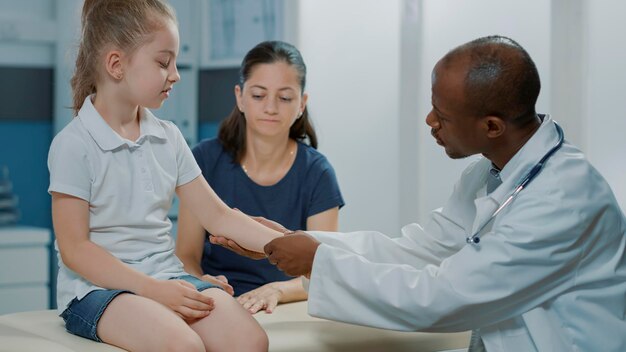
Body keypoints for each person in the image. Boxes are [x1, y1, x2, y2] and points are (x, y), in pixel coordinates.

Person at [216, 35, 626, 351]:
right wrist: (301, 244)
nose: (429, 120)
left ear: (492, 126)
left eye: (442, 115)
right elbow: (418, 249)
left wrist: (316, 261)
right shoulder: (488, 174)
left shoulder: (562, 199)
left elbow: (445, 296)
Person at [47, 1, 282, 351]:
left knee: (250, 340)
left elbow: (217, 215)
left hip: (166, 275)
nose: (175, 74)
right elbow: (75, 250)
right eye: (162, 62)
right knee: (182, 346)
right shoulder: (74, 145)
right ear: (116, 64)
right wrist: (153, 290)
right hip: (96, 289)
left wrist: (289, 244)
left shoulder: (168, 137)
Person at [176, 40, 344, 314]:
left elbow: (322, 266)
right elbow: (186, 255)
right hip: (216, 301)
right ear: (240, 96)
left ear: (302, 103)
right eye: (258, 95)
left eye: (285, 97)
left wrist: (275, 290)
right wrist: (202, 284)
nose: (270, 107)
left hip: (285, 305)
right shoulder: (204, 160)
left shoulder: (318, 173)